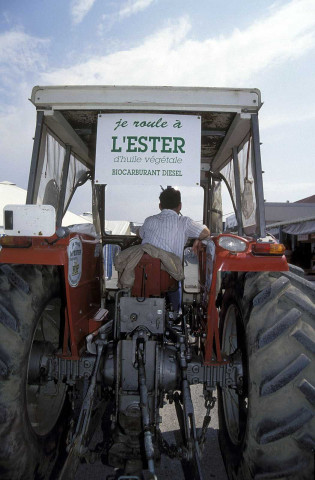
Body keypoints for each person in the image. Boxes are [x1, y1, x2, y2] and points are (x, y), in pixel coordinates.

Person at [138, 187, 210, 311]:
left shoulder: (149, 221)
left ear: (160, 206)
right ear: (180, 206)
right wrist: (197, 239)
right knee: (177, 282)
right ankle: (176, 313)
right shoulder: (184, 222)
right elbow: (205, 232)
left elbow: (139, 233)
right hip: (169, 278)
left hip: (145, 278)